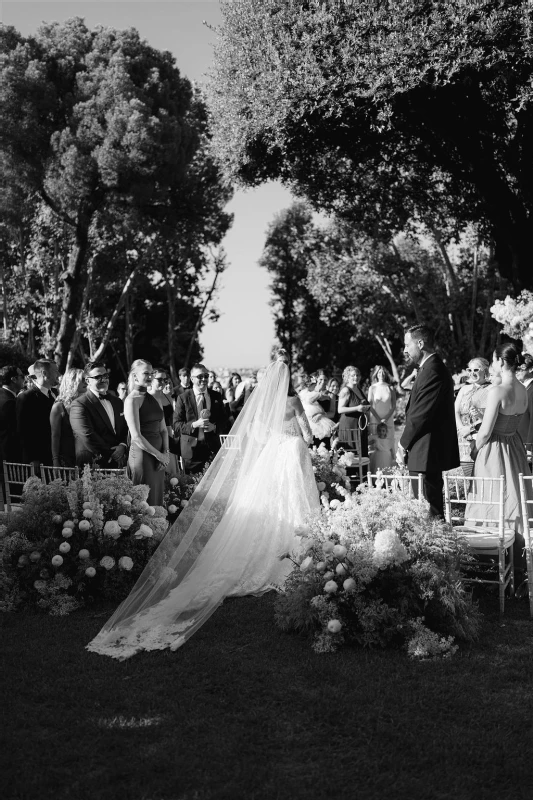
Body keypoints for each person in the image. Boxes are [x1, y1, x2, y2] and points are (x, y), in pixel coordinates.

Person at [87, 351, 320, 659]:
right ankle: (296, 550)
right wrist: (296, 439)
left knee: (270, 507)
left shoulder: (264, 407)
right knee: (294, 504)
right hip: (292, 457)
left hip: (273, 458)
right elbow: (309, 434)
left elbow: (259, 435)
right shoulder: (293, 403)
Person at [466, 344, 533, 569]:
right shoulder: (524, 389)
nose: (492, 364)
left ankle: (489, 561)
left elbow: (485, 431)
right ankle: (519, 559)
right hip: (515, 447)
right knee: (514, 498)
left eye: (494, 360)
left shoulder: (497, 391)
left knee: (491, 498)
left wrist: (474, 448)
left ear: (502, 362)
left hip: (494, 449)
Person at [396, 324, 459, 518]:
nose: (405, 350)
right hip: (423, 451)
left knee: (429, 511)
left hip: (427, 451)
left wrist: (402, 443)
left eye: (408, 345)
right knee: (422, 509)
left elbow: (420, 414)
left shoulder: (433, 370)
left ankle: (434, 546)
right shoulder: (427, 368)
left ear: (420, 344)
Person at [124, 360, 169, 505]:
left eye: (151, 373)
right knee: (144, 501)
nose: (150, 376)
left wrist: (166, 453)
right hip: (143, 457)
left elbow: (163, 429)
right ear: (135, 376)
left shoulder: (156, 398)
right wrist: (159, 455)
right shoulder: (131, 400)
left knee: (157, 497)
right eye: (146, 373)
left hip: (160, 457)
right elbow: (136, 436)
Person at [70, 362, 128, 469]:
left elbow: (126, 428)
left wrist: (123, 446)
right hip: (92, 464)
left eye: (105, 376)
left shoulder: (118, 402)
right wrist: (113, 454)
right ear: (88, 381)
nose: (104, 380)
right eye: (98, 377)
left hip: (119, 464)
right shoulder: (79, 404)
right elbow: (88, 435)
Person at [173, 363, 228, 473]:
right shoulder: (183, 397)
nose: (204, 379)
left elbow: (224, 421)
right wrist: (194, 425)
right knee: (193, 488)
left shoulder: (216, 396)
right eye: (200, 377)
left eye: (206, 376)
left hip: (212, 449)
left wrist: (215, 427)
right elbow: (176, 425)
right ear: (192, 379)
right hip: (191, 452)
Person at [16, 359, 59, 471]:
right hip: (39, 460)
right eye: (55, 371)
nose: (58, 374)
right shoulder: (26, 397)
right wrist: (33, 457)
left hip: (57, 456)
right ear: (44, 373)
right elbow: (23, 430)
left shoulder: (55, 394)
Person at [454, 357, 491, 476]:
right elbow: (456, 411)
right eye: (469, 370)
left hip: (482, 436)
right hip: (463, 437)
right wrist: (461, 429)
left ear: (485, 370)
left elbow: (490, 416)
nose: (472, 373)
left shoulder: (491, 389)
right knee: (466, 472)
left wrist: (470, 429)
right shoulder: (464, 389)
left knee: (482, 472)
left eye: (476, 369)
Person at [50, 368, 85, 468]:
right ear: (72, 382)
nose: (86, 382)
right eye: (82, 379)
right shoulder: (58, 407)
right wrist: (55, 460)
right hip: (66, 458)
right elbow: (55, 436)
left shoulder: (86, 404)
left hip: (85, 458)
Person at [149, 368, 179, 475]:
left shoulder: (168, 397)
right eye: (159, 379)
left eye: (165, 380)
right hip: (155, 440)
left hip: (169, 438)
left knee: (172, 476)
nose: (163, 382)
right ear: (151, 379)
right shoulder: (147, 398)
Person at [337, 366, 370, 457]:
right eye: (353, 375)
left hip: (360, 425)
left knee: (361, 454)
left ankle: (361, 472)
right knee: (351, 454)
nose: (356, 377)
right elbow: (340, 409)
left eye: (358, 375)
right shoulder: (346, 390)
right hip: (349, 426)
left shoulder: (358, 389)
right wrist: (357, 408)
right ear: (347, 377)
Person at [299, 373, 337, 447]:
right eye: (320, 379)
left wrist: (321, 415)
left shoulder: (331, 395)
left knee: (323, 448)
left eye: (325, 379)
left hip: (323, 425)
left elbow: (332, 413)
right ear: (316, 380)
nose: (322, 382)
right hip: (308, 424)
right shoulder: (307, 393)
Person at [0, 366, 24, 466]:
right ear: (13, 379)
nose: (24, 378)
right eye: (22, 376)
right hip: (7, 459)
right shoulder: (10, 402)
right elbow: (14, 432)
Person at [368, 365, 397, 446]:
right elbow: (369, 405)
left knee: (388, 443)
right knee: (375, 443)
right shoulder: (372, 388)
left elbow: (394, 405)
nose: (381, 374)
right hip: (375, 418)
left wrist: (386, 419)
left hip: (388, 419)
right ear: (376, 374)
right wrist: (379, 419)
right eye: (379, 372)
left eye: (383, 372)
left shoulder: (390, 387)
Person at [517, 353, 533, 449]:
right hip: (519, 442)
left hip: (527, 443)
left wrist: (530, 446)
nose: (516, 372)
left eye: (520, 369)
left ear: (531, 369)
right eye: (515, 368)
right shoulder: (522, 388)